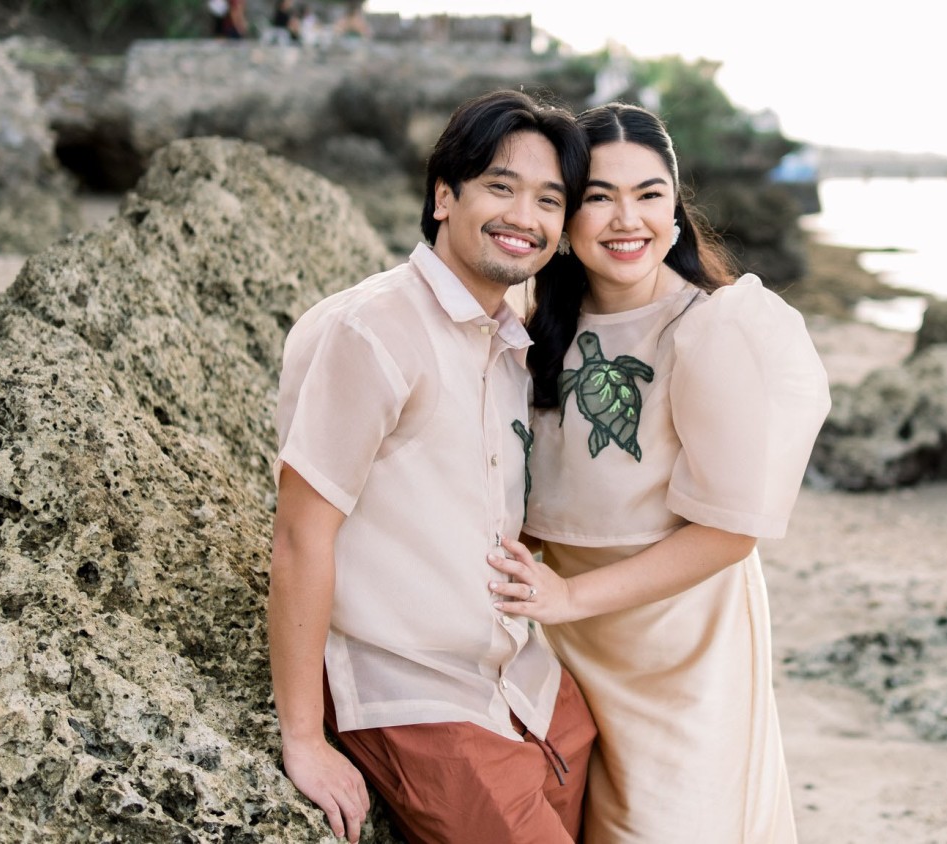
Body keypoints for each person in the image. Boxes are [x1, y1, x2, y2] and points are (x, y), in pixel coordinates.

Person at [488, 103, 831, 843]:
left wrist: (570, 594)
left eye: (649, 195)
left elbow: (731, 534)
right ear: (565, 218)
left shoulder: (712, 331)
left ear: (674, 213)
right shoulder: (529, 329)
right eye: (598, 197)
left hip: (683, 661)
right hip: (567, 652)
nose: (626, 219)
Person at [269, 89, 596, 844]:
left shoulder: (511, 340)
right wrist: (303, 740)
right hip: (414, 695)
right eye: (500, 187)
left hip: (531, 690)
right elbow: (298, 536)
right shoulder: (373, 329)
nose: (525, 217)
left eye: (550, 201)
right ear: (444, 196)